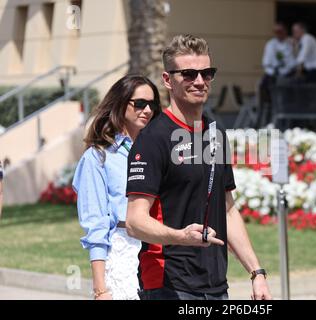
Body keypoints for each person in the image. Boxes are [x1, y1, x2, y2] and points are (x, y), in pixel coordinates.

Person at [126, 34, 272, 300]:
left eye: (207, 73)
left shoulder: (216, 135)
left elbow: (227, 210)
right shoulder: (152, 139)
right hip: (168, 285)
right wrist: (181, 237)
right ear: (168, 80)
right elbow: (135, 221)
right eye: (189, 74)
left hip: (215, 286)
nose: (200, 81)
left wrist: (256, 272)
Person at [72, 75, 162, 300]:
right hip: (123, 251)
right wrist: (101, 289)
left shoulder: (158, 151)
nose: (148, 110)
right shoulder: (98, 158)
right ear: (121, 103)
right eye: (140, 103)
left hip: (162, 253)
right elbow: (96, 225)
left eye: (152, 104)